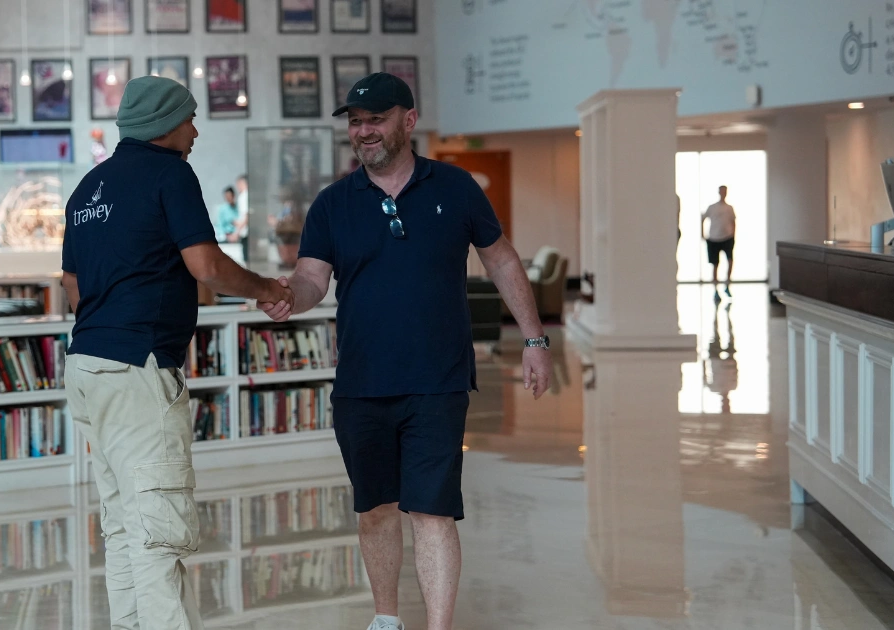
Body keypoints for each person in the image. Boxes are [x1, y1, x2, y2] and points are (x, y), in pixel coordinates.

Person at [260, 73, 553, 630]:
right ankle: (387, 620)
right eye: (355, 121)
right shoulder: (332, 204)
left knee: (433, 509)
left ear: (408, 121)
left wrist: (535, 340)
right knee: (375, 510)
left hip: (438, 380)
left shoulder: (455, 187)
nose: (364, 131)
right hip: (362, 382)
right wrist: (285, 299)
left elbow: (502, 260)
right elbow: (311, 280)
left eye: (375, 119)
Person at [60, 76, 293, 630]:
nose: (196, 131)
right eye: (189, 119)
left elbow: (72, 285)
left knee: (123, 523)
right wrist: (268, 290)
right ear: (165, 124)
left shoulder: (88, 186)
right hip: (138, 369)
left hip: (88, 364)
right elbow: (207, 266)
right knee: (159, 529)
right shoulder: (171, 174)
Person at [702, 185, 737, 298]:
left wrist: (733, 236)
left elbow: (733, 222)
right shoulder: (712, 207)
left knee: (730, 261)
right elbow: (702, 219)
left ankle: (727, 284)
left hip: (727, 237)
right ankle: (716, 289)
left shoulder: (729, 208)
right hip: (714, 238)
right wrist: (702, 234)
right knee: (715, 264)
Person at [233, 174, 250, 262]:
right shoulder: (248, 195)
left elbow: (247, 215)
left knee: (247, 259)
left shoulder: (244, 196)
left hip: (246, 233)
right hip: (248, 232)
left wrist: (237, 231)